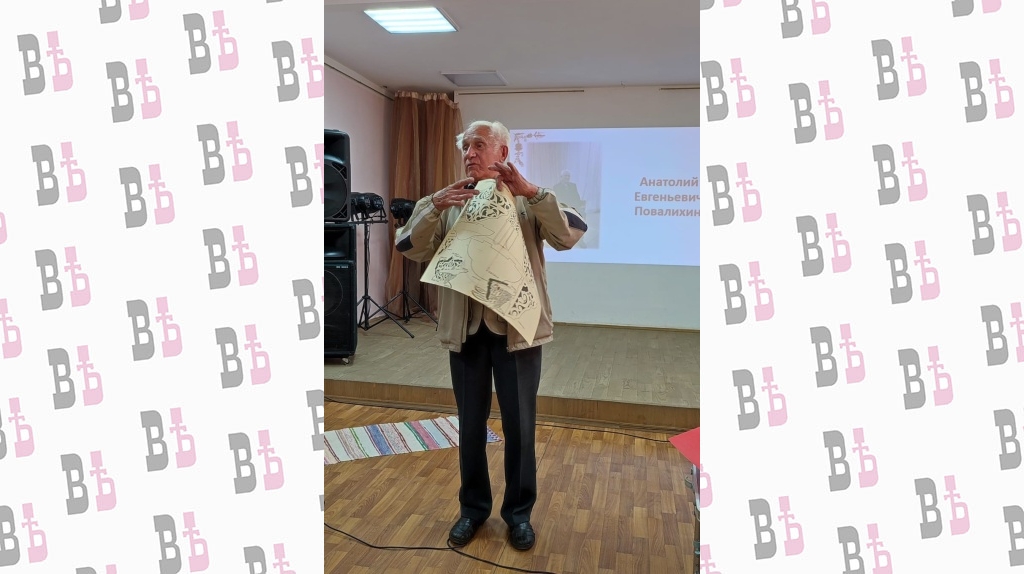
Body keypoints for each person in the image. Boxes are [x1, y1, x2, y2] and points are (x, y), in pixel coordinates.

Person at [395, 120, 586, 551]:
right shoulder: (448, 203)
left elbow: (569, 235)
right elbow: (409, 246)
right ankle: (473, 510)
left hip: (516, 332)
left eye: (478, 145)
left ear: (502, 152)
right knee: (469, 427)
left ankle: (519, 515)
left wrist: (532, 193)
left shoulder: (527, 201)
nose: (469, 154)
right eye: (465, 147)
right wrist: (432, 205)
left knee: (520, 427)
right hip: (467, 332)